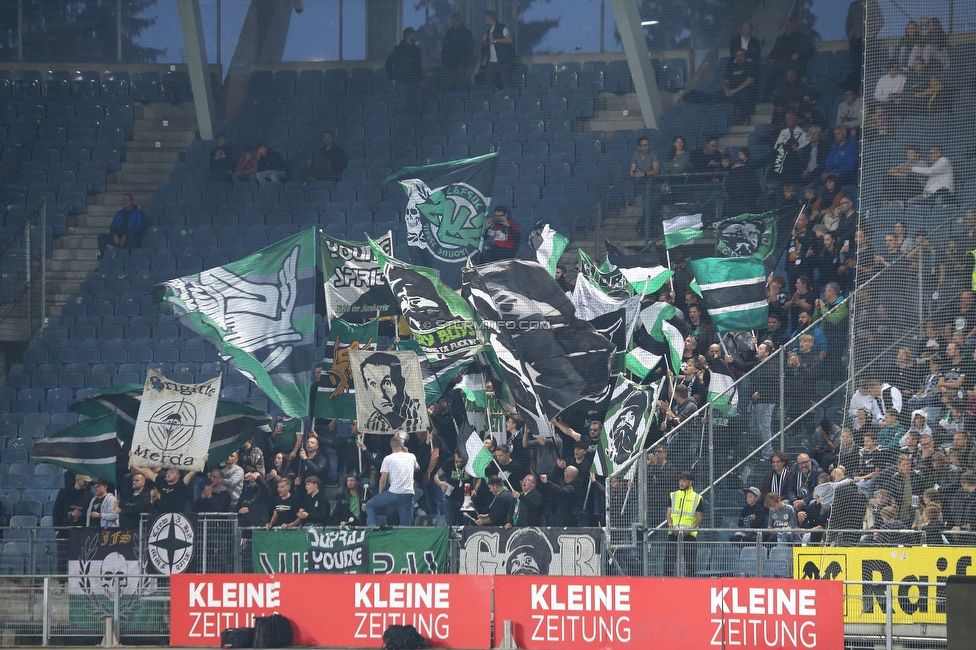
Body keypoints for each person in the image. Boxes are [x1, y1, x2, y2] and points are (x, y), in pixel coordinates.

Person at [358, 352, 425, 433]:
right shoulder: (370, 423)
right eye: (372, 384)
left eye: (386, 383)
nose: (381, 394)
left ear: (400, 384)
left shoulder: (420, 415)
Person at [366, 436, 419, 526]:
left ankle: (373, 527)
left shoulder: (388, 458)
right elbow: (417, 468)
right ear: (402, 446)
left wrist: (381, 494)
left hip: (394, 493)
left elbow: (383, 479)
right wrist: (408, 453)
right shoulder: (411, 456)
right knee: (406, 526)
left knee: (369, 505)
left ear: (391, 445)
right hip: (409, 493)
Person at [664, 472, 703, 577]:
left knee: (690, 562)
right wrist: (671, 526)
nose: (681, 483)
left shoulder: (697, 498)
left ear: (690, 482)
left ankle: (690, 582)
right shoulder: (673, 495)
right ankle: (666, 581)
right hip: (674, 532)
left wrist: (689, 530)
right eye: (680, 480)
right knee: (668, 561)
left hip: (689, 535)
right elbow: (669, 513)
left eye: (684, 481)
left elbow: (698, 518)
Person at [386, 27, 424, 116]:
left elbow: (418, 66)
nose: (416, 36)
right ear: (409, 35)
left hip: (415, 82)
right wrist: (393, 77)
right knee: (402, 107)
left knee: (417, 107)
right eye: (414, 34)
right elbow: (388, 63)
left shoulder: (416, 50)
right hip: (403, 83)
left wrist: (420, 79)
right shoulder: (398, 49)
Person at [97, 193, 144, 259]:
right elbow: (112, 226)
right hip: (118, 238)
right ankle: (105, 257)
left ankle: (130, 260)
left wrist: (125, 236)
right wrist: (115, 235)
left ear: (132, 201)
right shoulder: (119, 213)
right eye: (124, 200)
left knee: (131, 238)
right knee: (101, 237)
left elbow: (138, 228)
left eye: (127, 200)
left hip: (130, 238)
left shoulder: (138, 213)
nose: (125, 202)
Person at [629, 136, 660, 233]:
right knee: (647, 207)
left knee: (652, 207)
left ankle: (641, 226)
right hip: (643, 185)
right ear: (639, 147)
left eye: (647, 145)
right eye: (644, 145)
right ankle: (648, 228)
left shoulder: (653, 155)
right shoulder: (635, 155)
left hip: (654, 184)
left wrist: (644, 173)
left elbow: (656, 170)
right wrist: (636, 172)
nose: (647, 147)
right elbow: (632, 170)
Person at [481, 11, 515, 90]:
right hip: (492, 60)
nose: (484, 20)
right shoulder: (489, 30)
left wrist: (496, 41)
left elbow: (509, 40)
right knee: (488, 83)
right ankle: (488, 99)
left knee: (506, 82)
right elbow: (488, 46)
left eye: (485, 18)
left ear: (490, 18)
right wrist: (485, 41)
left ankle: (509, 97)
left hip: (502, 60)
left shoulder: (502, 27)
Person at [723, 49, 758, 125]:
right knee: (717, 96)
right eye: (737, 55)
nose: (739, 57)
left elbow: (749, 80)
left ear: (745, 56)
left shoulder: (750, 65)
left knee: (743, 96)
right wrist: (726, 90)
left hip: (744, 90)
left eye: (741, 55)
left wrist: (735, 91)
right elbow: (726, 81)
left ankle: (741, 119)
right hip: (731, 91)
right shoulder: (731, 66)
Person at [441, 13, 474, 90]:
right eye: (453, 21)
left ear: (460, 21)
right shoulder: (449, 33)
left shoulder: (467, 33)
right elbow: (444, 49)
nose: (454, 23)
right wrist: (444, 61)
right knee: (446, 86)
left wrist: (464, 63)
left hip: (461, 65)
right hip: (448, 64)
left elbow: (470, 50)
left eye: (456, 21)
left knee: (462, 86)